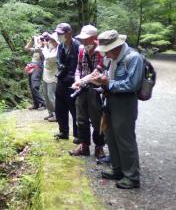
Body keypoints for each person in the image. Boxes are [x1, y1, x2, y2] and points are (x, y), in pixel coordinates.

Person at [91, 30, 144, 189]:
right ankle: (117, 169)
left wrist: (108, 83)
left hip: (125, 103)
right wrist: (101, 80)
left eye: (107, 51)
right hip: (110, 100)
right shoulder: (112, 59)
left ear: (116, 47)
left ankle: (132, 177)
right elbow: (108, 76)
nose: (105, 54)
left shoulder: (133, 58)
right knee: (110, 136)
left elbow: (133, 84)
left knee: (125, 139)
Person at [69, 25, 106, 159]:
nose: (84, 41)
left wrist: (82, 81)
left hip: (95, 89)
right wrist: (77, 79)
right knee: (81, 118)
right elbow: (78, 67)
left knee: (97, 119)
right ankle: (84, 146)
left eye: (86, 39)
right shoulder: (81, 50)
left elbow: (99, 70)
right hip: (81, 89)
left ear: (94, 38)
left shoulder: (101, 51)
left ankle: (99, 147)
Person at [53, 23, 80, 140]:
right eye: (58, 33)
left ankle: (77, 135)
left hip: (73, 83)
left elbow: (79, 65)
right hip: (61, 81)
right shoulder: (60, 46)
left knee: (74, 110)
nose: (59, 36)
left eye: (61, 33)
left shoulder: (78, 46)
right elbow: (59, 63)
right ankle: (63, 132)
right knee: (59, 108)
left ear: (69, 33)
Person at [24, 33, 46, 110]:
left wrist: (37, 41)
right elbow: (26, 48)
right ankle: (36, 104)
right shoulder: (36, 47)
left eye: (40, 40)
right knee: (31, 85)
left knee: (34, 86)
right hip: (32, 65)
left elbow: (38, 48)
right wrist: (32, 40)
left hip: (38, 66)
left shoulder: (44, 48)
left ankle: (43, 103)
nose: (38, 40)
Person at [41, 32, 59, 122]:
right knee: (46, 95)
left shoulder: (58, 50)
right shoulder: (51, 48)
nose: (50, 41)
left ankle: (57, 114)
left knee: (51, 95)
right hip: (46, 74)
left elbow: (48, 57)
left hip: (53, 75)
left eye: (52, 40)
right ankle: (50, 113)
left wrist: (44, 46)